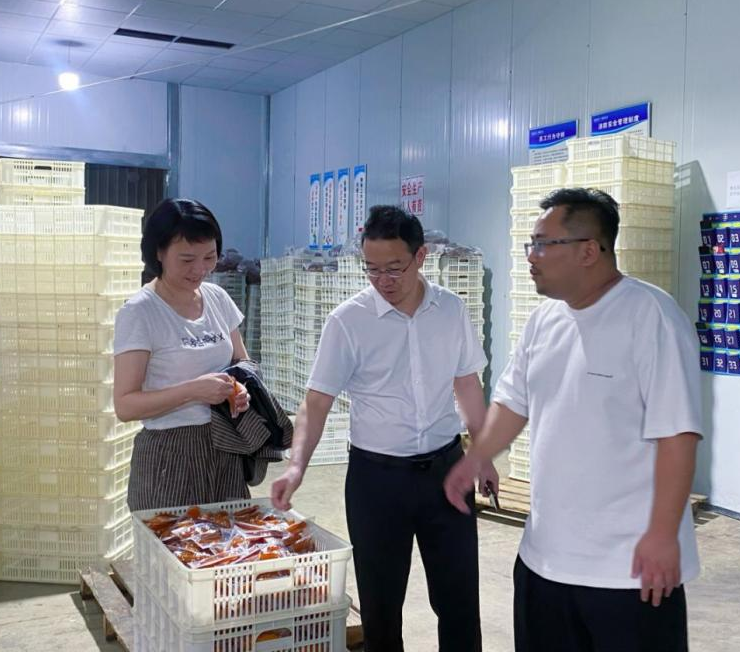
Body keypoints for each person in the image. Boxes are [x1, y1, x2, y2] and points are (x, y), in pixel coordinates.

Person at [445, 187, 702, 652]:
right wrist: (476, 457)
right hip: (544, 559)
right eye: (531, 243)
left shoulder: (652, 317)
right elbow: (513, 403)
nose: (532, 256)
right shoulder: (544, 320)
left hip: (629, 569)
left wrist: (664, 535)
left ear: (589, 251)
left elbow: (678, 434)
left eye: (544, 244)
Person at [271, 205, 496, 652]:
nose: (383, 280)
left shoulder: (450, 310)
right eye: (371, 269)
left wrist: (483, 454)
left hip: (447, 474)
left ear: (420, 256)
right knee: (381, 608)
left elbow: (467, 383)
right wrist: (296, 467)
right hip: (377, 481)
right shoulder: (348, 321)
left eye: (394, 268)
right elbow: (317, 402)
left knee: (458, 601)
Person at [113, 198, 252, 512]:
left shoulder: (217, 298)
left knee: (228, 537)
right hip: (169, 454)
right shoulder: (140, 312)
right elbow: (125, 405)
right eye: (187, 259)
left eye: (209, 257)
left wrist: (241, 388)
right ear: (159, 253)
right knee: (174, 538)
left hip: (226, 446)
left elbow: (242, 363)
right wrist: (193, 391)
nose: (200, 269)